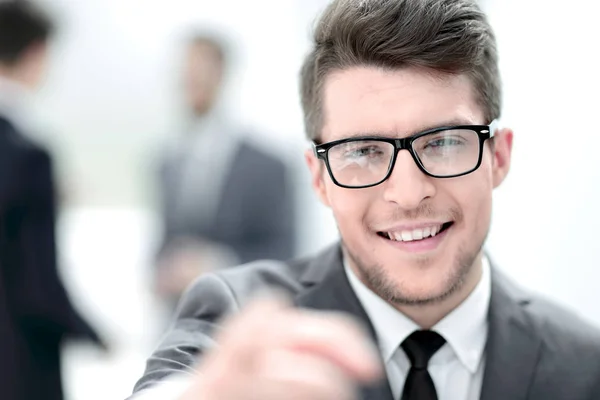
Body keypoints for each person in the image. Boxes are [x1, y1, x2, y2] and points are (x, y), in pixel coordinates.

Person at [130, 1, 600, 399]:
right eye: (363, 153)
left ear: (498, 156)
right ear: (319, 179)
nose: (409, 193)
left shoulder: (586, 366)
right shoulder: (236, 314)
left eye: (444, 142)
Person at [0, 1, 104, 400]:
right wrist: (92, 333)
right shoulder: (29, 155)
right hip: (18, 362)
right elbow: (36, 284)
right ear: (36, 53)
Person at [153, 32, 296, 308]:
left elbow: (285, 255)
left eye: (198, 72)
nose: (190, 82)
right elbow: (162, 242)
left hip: (246, 322)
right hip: (179, 325)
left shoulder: (268, 166)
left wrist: (215, 265)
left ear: (221, 74)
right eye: (184, 74)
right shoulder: (166, 162)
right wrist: (161, 271)